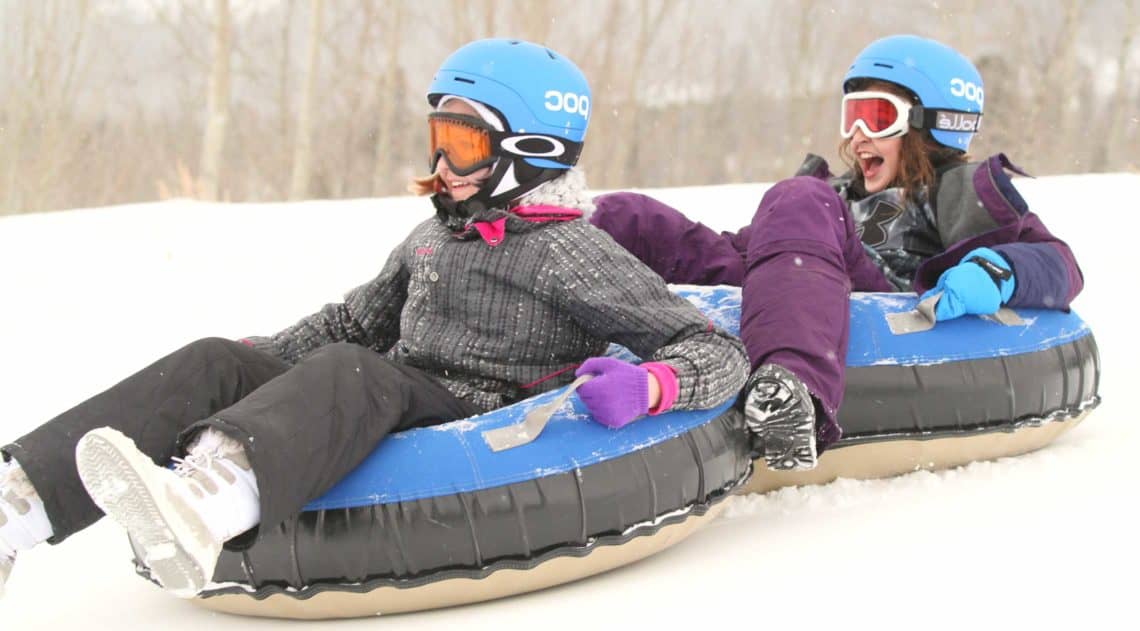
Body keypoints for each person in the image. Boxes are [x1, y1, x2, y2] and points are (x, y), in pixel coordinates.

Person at [0, 38, 748, 599]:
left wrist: (651, 385)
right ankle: (22, 501)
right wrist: (253, 360)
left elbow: (713, 350)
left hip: (471, 407)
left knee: (357, 373)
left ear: (530, 150)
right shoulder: (434, 234)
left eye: (463, 143)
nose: (442, 163)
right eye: (438, 139)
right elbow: (351, 323)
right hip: (388, 379)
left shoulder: (571, 249)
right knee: (211, 358)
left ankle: (206, 504)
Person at [590, 34, 1083, 472]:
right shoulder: (837, 193)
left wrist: (997, 270)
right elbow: (761, 250)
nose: (856, 135)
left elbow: (1058, 262)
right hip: (800, 285)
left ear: (934, 127)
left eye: (877, 117)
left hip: (871, 304)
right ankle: (554, 274)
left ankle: (793, 389)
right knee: (627, 215)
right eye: (852, 117)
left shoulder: (960, 190)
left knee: (801, 194)